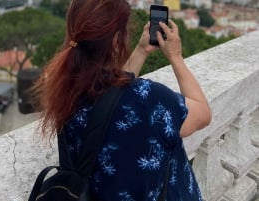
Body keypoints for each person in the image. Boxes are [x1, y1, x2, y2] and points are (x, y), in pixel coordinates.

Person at [32, 0, 212, 200]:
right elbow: (202, 114)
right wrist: (176, 56)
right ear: (118, 40)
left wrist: (141, 51)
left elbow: (112, 97)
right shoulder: (150, 99)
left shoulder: (64, 88)